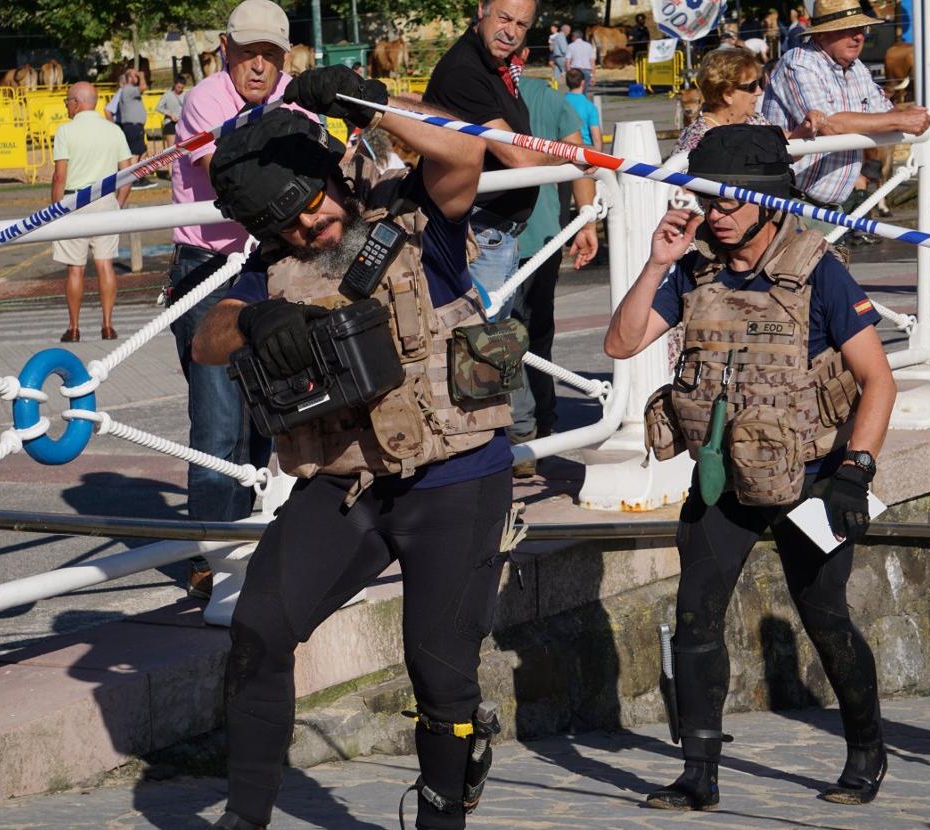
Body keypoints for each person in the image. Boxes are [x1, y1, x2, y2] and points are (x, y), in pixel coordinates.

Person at [192, 66, 513, 830]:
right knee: (258, 626)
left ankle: (443, 810)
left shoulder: (417, 215)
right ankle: (244, 820)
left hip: (457, 478)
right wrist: (253, 322)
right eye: (285, 228)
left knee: (440, 672)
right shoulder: (274, 267)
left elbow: (464, 153)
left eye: (311, 209)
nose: (308, 231)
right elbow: (205, 337)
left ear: (331, 178)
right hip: (348, 487)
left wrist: (373, 99)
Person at [605, 124, 896, 811]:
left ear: (766, 201)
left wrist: (856, 473)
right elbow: (621, 344)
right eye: (707, 201)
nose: (716, 215)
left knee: (825, 618)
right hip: (725, 480)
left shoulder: (818, 268)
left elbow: (878, 381)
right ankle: (698, 774)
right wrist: (655, 264)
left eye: (729, 202)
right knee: (695, 617)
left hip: (812, 478)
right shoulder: (695, 269)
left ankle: (866, 750)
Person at [425, 0, 595, 455]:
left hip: (495, 232)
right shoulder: (464, 72)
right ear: (481, 9)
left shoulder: (493, 66)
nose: (512, 31)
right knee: (478, 359)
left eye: (522, 24)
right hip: (479, 234)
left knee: (496, 349)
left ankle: (491, 455)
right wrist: (570, 154)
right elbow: (517, 155)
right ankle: (477, 459)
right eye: (504, 18)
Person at [166, 0, 308, 521]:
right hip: (207, 269)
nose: (259, 65)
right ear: (225, 49)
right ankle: (212, 548)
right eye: (248, 52)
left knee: (266, 413)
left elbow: (321, 162)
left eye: (270, 54)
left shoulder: (294, 97)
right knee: (220, 423)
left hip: (268, 263)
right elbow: (230, 176)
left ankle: (246, 537)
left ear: (285, 57)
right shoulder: (205, 98)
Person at [762, 0, 930, 219]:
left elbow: (883, 112)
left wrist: (908, 115)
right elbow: (829, 124)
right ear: (821, 35)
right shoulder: (799, 62)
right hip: (791, 202)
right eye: (847, 29)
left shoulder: (856, 67)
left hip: (830, 203)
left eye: (861, 28)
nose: (858, 36)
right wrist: (900, 120)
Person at [512, 56, 597, 474]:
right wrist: (586, 220)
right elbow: (582, 161)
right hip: (545, 235)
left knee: (502, 339)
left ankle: (521, 432)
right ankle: (542, 424)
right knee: (537, 336)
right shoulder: (551, 99)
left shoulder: (476, 96)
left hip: (495, 236)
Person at [51, 82, 132, 342]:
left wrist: (55, 209)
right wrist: (118, 203)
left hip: (74, 201)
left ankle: (74, 328)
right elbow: (128, 173)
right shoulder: (114, 130)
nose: (66, 106)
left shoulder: (65, 131)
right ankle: (107, 325)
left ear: (76, 102)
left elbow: (59, 176)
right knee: (105, 264)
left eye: (67, 101)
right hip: (105, 200)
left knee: (75, 268)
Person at [673, 47, 825, 156]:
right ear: (728, 94)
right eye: (752, 86)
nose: (759, 91)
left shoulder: (754, 121)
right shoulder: (700, 138)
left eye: (760, 83)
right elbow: (681, 189)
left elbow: (787, 150)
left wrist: (806, 128)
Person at [113, 67, 153, 187]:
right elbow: (144, 87)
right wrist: (142, 75)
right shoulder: (128, 89)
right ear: (130, 78)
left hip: (136, 126)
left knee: (142, 151)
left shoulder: (131, 90)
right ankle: (132, 180)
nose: (137, 77)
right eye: (135, 76)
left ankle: (138, 176)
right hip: (132, 126)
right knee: (135, 153)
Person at [564, 68, 601, 148]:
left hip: (562, 150)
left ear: (567, 83)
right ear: (583, 82)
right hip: (583, 149)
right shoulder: (590, 107)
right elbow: (597, 140)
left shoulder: (558, 103)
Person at [154, 76, 186, 143]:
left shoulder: (185, 95)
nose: (180, 89)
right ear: (175, 85)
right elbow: (158, 107)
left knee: (183, 146)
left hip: (182, 123)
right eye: (178, 87)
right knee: (172, 147)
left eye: (182, 88)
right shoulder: (167, 94)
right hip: (170, 123)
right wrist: (170, 115)